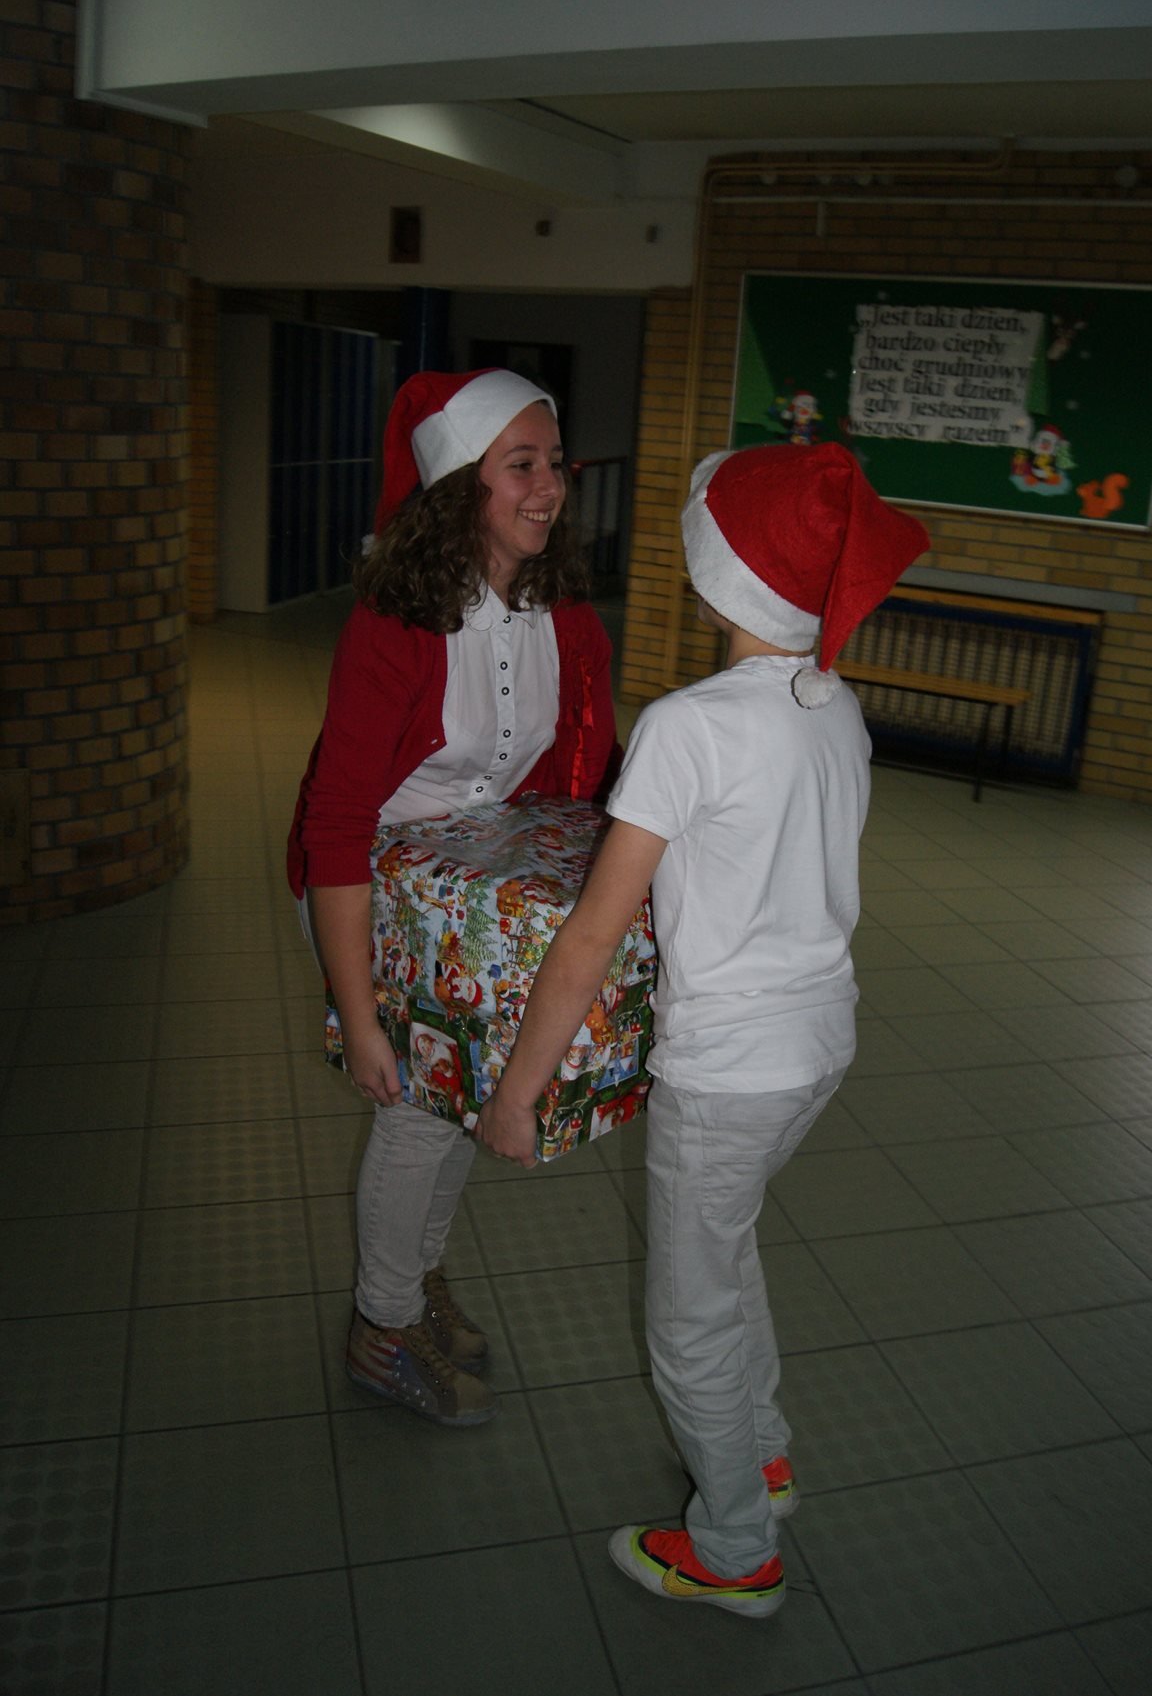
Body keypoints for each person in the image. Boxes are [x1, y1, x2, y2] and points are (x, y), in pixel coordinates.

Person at [477, 441, 928, 1614]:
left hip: (728, 1070)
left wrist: (519, 1092)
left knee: (686, 1320)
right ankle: (761, 1452)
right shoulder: (835, 707)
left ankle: (733, 1551)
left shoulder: (687, 726)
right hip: (818, 1045)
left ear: (714, 573)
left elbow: (590, 935)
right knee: (723, 1252)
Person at [287, 367, 617, 1427]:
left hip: (474, 898)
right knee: (420, 1113)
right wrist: (360, 1013)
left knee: (462, 1105)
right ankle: (381, 1325)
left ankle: (413, 1280)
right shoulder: (395, 622)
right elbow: (337, 822)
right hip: (369, 882)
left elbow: (579, 785)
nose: (549, 486)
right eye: (521, 465)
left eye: (554, 462)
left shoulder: (565, 615)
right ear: (457, 485)